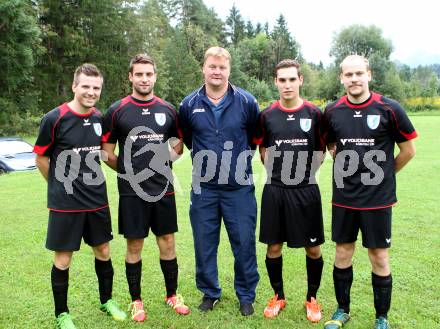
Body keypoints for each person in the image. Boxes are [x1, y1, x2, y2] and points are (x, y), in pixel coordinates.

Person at [322, 55, 417, 329]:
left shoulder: (389, 108)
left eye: (359, 73)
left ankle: (381, 317)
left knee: (379, 256)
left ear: (369, 75)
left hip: (378, 200)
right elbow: (329, 143)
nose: (354, 79)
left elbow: (408, 150)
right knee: (342, 253)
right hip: (344, 197)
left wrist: (385, 175)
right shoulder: (332, 111)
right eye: (348, 74)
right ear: (341, 78)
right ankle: (342, 310)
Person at [34, 64, 126, 329]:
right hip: (66, 203)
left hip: (97, 198)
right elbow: (41, 157)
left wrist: (134, 168)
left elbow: (106, 154)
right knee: (63, 258)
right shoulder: (55, 118)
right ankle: (62, 314)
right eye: (85, 86)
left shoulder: (100, 118)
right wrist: (57, 186)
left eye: (96, 88)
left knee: (104, 250)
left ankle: (107, 300)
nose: (91, 92)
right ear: (74, 86)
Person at [101, 54, 189, 322]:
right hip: (131, 190)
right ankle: (136, 301)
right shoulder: (116, 110)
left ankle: (172, 295)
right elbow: (106, 152)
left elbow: (178, 146)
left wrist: (162, 163)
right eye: (139, 74)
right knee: (135, 244)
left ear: (155, 76)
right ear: (130, 76)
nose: (144, 78)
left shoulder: (168, 110)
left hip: (163, 187)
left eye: (148, 74)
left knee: (167, 241)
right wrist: (129, 172)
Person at [178, 46, 260, 316]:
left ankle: (246, 295)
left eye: (222, 67)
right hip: (204, 188)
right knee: (204, 242)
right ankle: (210, 292)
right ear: (204, 68)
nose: (217, 71)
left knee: (244, 242)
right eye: (212, 66)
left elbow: (253, 139)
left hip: (238, 187)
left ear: (229, 70)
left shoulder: (247, 101)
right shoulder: (188, 104)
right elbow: (189, 140)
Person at [253, 59, 325, 322]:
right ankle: (278, 296)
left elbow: (321, 151)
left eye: (291, 79)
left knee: (313, 249)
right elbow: (262, 150)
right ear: (276, 82)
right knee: (273, 247)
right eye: (282, 80)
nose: (287, 85)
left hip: (306, 190)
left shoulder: (315, 114)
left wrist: (304, 174)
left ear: (300, 80)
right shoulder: (267, 115)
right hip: (275, 190)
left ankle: (312, 298)